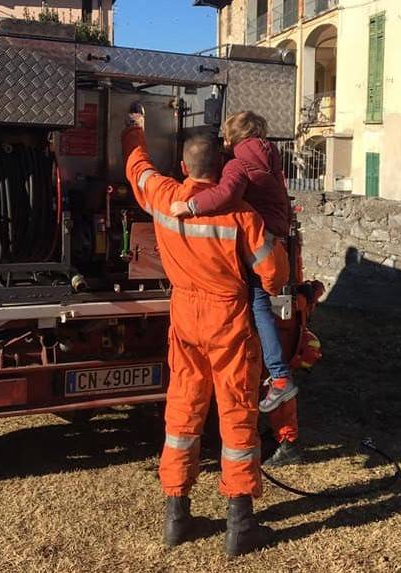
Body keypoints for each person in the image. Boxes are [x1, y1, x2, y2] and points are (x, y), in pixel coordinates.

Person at [122, 111, 290, 557]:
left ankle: (176, 516)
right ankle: (241, 523)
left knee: (182, 415)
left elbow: (137, 169)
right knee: (237, 417)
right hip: (228, 322)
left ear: (183, 167)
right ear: (222, 170)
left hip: (185, 317)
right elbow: (274, 276)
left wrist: (132, 129)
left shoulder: (163, 196)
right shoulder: (241, 215)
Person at [170, 111, 298, 415]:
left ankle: (279, 377)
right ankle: (275, 374)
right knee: (261, 305)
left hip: (260, 240)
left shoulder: (239, 165)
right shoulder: (269, 155)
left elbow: (226, 195)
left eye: (226, 136)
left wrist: (190, 205)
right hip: (275, 235)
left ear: (233, 137)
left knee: (257, 305)